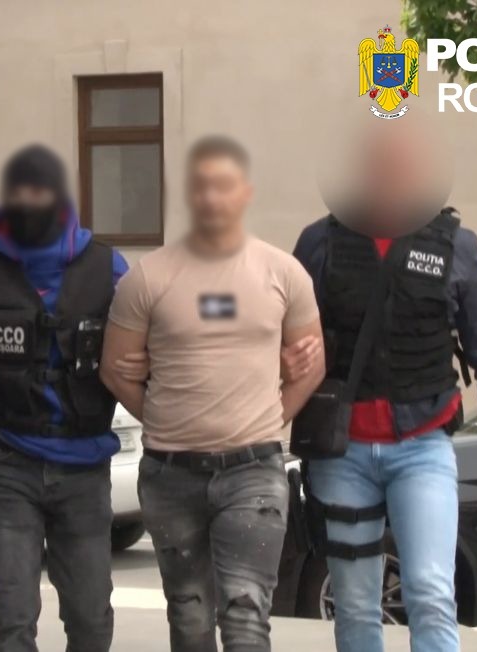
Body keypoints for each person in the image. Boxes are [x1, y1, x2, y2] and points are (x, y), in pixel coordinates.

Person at [287, 122, 477, 652]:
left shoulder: (455, 245)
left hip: (423, 447)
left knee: (431, 592)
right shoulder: (319, 243)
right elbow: (284, 336)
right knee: (356, 604)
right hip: (341, 455)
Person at [100, 135, 325, 652]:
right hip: (170, 476)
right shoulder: (148, 277)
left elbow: (311, 365)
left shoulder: (283, 273)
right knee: (189, 616)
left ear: (244, 193)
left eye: (223, 186)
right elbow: (116, 370)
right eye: (200, 186)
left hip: (253, 473)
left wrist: (272, 418)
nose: (211, 197)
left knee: (246, 617)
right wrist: (165, 418)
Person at [0, 144, 128, 652]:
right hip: (8, 464)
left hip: (84, 467)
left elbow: (148, 351)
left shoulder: (109, 269)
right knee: (13, 618)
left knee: (91, 617)